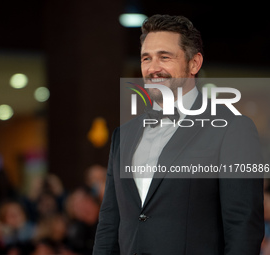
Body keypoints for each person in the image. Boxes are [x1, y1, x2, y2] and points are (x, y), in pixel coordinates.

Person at [93, 14, 264, 255]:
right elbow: (110, 223)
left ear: (194, 63)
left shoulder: (232, 129)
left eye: (165, 57)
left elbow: (243, 227)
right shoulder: (124, 134)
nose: (153, 68)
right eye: (146, 58)